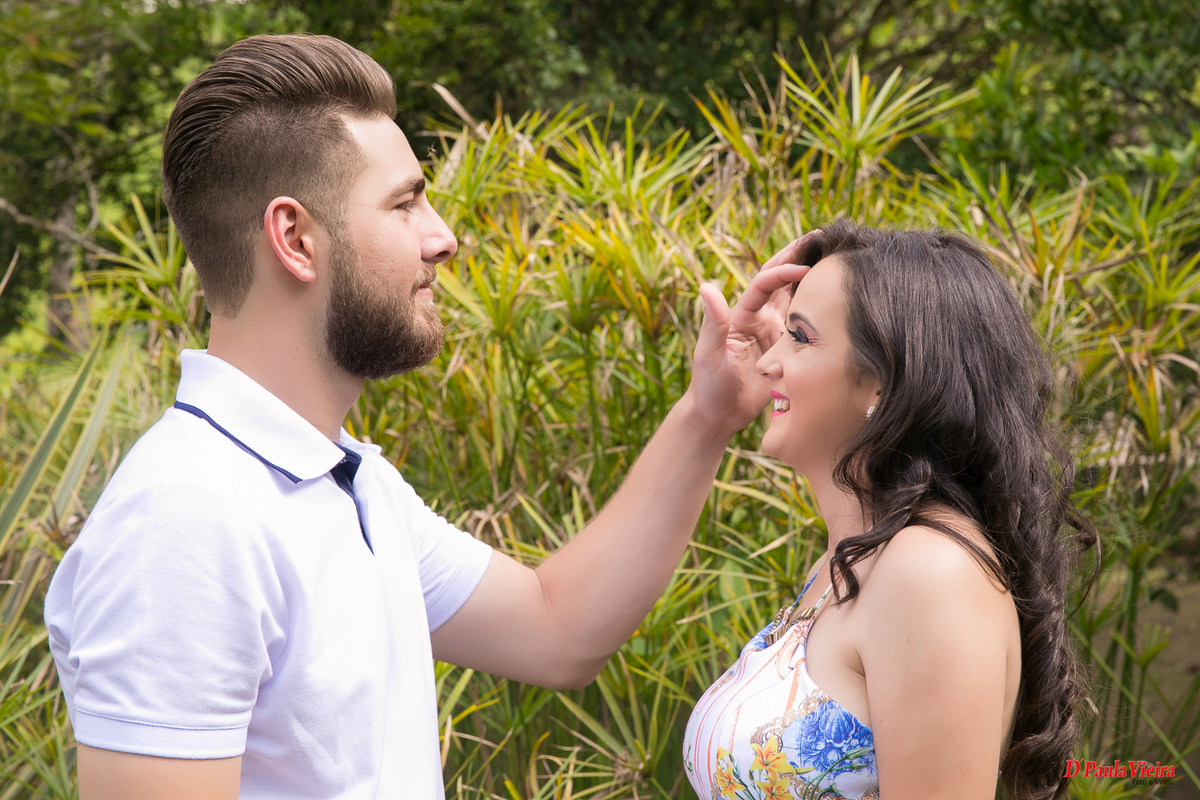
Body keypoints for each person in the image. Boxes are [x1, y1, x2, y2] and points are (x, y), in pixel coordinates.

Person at [43, 33, 810, 800]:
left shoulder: (348, 480)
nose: (444, 238)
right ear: (295, 239)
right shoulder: (187, 518)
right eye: (405, 203)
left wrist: (708, 413)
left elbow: (557, 630)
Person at [682, 221, 1098, 800]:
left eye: (798, 337)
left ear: (884, 382)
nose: (767, 362)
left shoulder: (932, 572)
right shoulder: (848, 562)